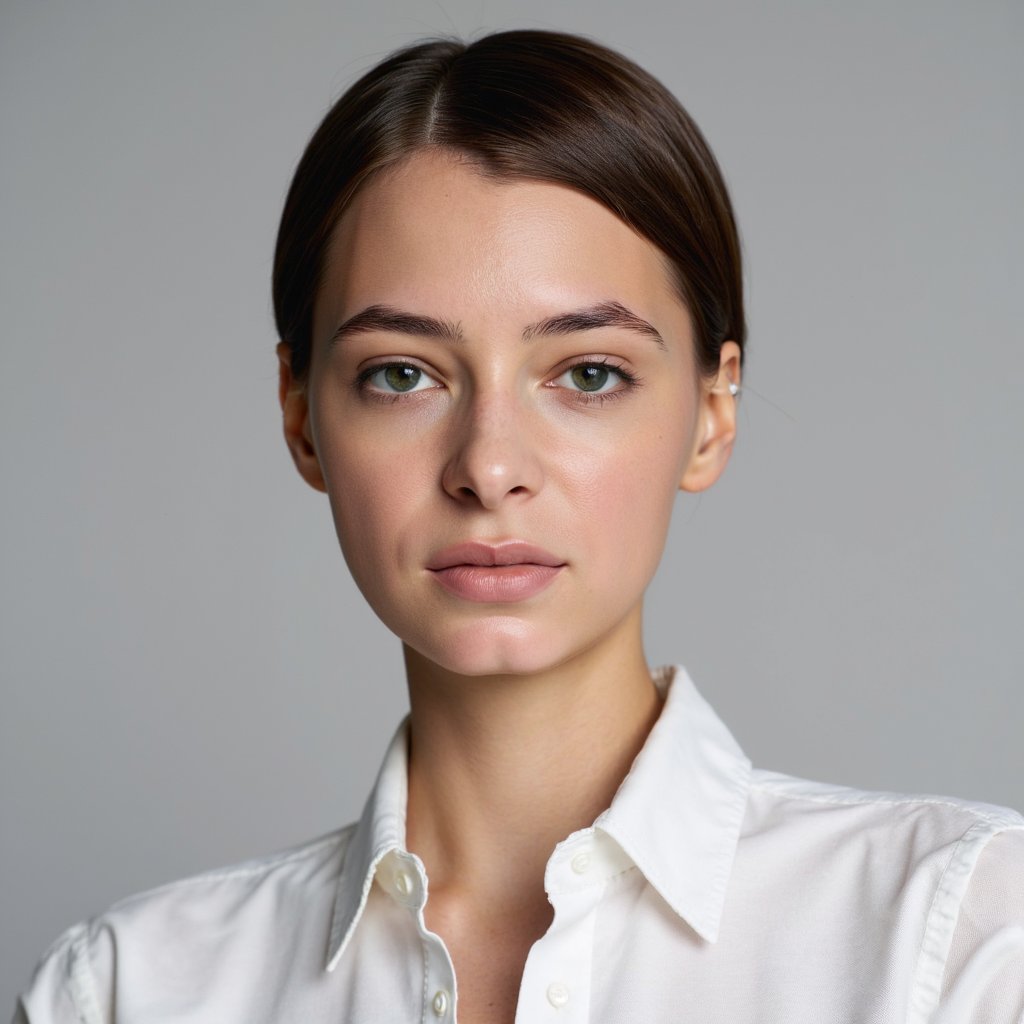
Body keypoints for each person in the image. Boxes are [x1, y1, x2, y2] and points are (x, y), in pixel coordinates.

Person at [13, 28, 1023, 1024]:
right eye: (400, 375)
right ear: (301, 417)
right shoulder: (126, 991)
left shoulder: (957, 937)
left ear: (713, 414)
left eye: (589, 374)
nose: (489, 467)